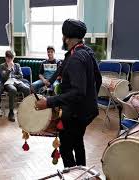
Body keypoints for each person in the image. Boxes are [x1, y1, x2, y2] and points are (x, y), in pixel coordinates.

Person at [35, 19, 102, 168]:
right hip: (85, 111)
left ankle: (74, 174)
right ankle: (82, 173)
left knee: (65, 148)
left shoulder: (76, 58)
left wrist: (48, 102)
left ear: (66, 38)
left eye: (63, 35)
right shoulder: (85, 51)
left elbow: (78, 92)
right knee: (78, 142)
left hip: (76, 114)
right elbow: (98, 79)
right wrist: (91, 100)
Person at [0, 50, 30, 121]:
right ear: (6, 58)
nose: (10, 60)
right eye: (9, 58)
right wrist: (9, 69)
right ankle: (11, 112)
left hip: (17, 81)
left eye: (12, 58)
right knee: (13, 90)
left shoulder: (17, 65)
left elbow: (21, 76)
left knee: (27, 88)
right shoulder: (2, 66)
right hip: (7, 82)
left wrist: (13, 76)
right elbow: (4, 77)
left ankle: (25, 109)